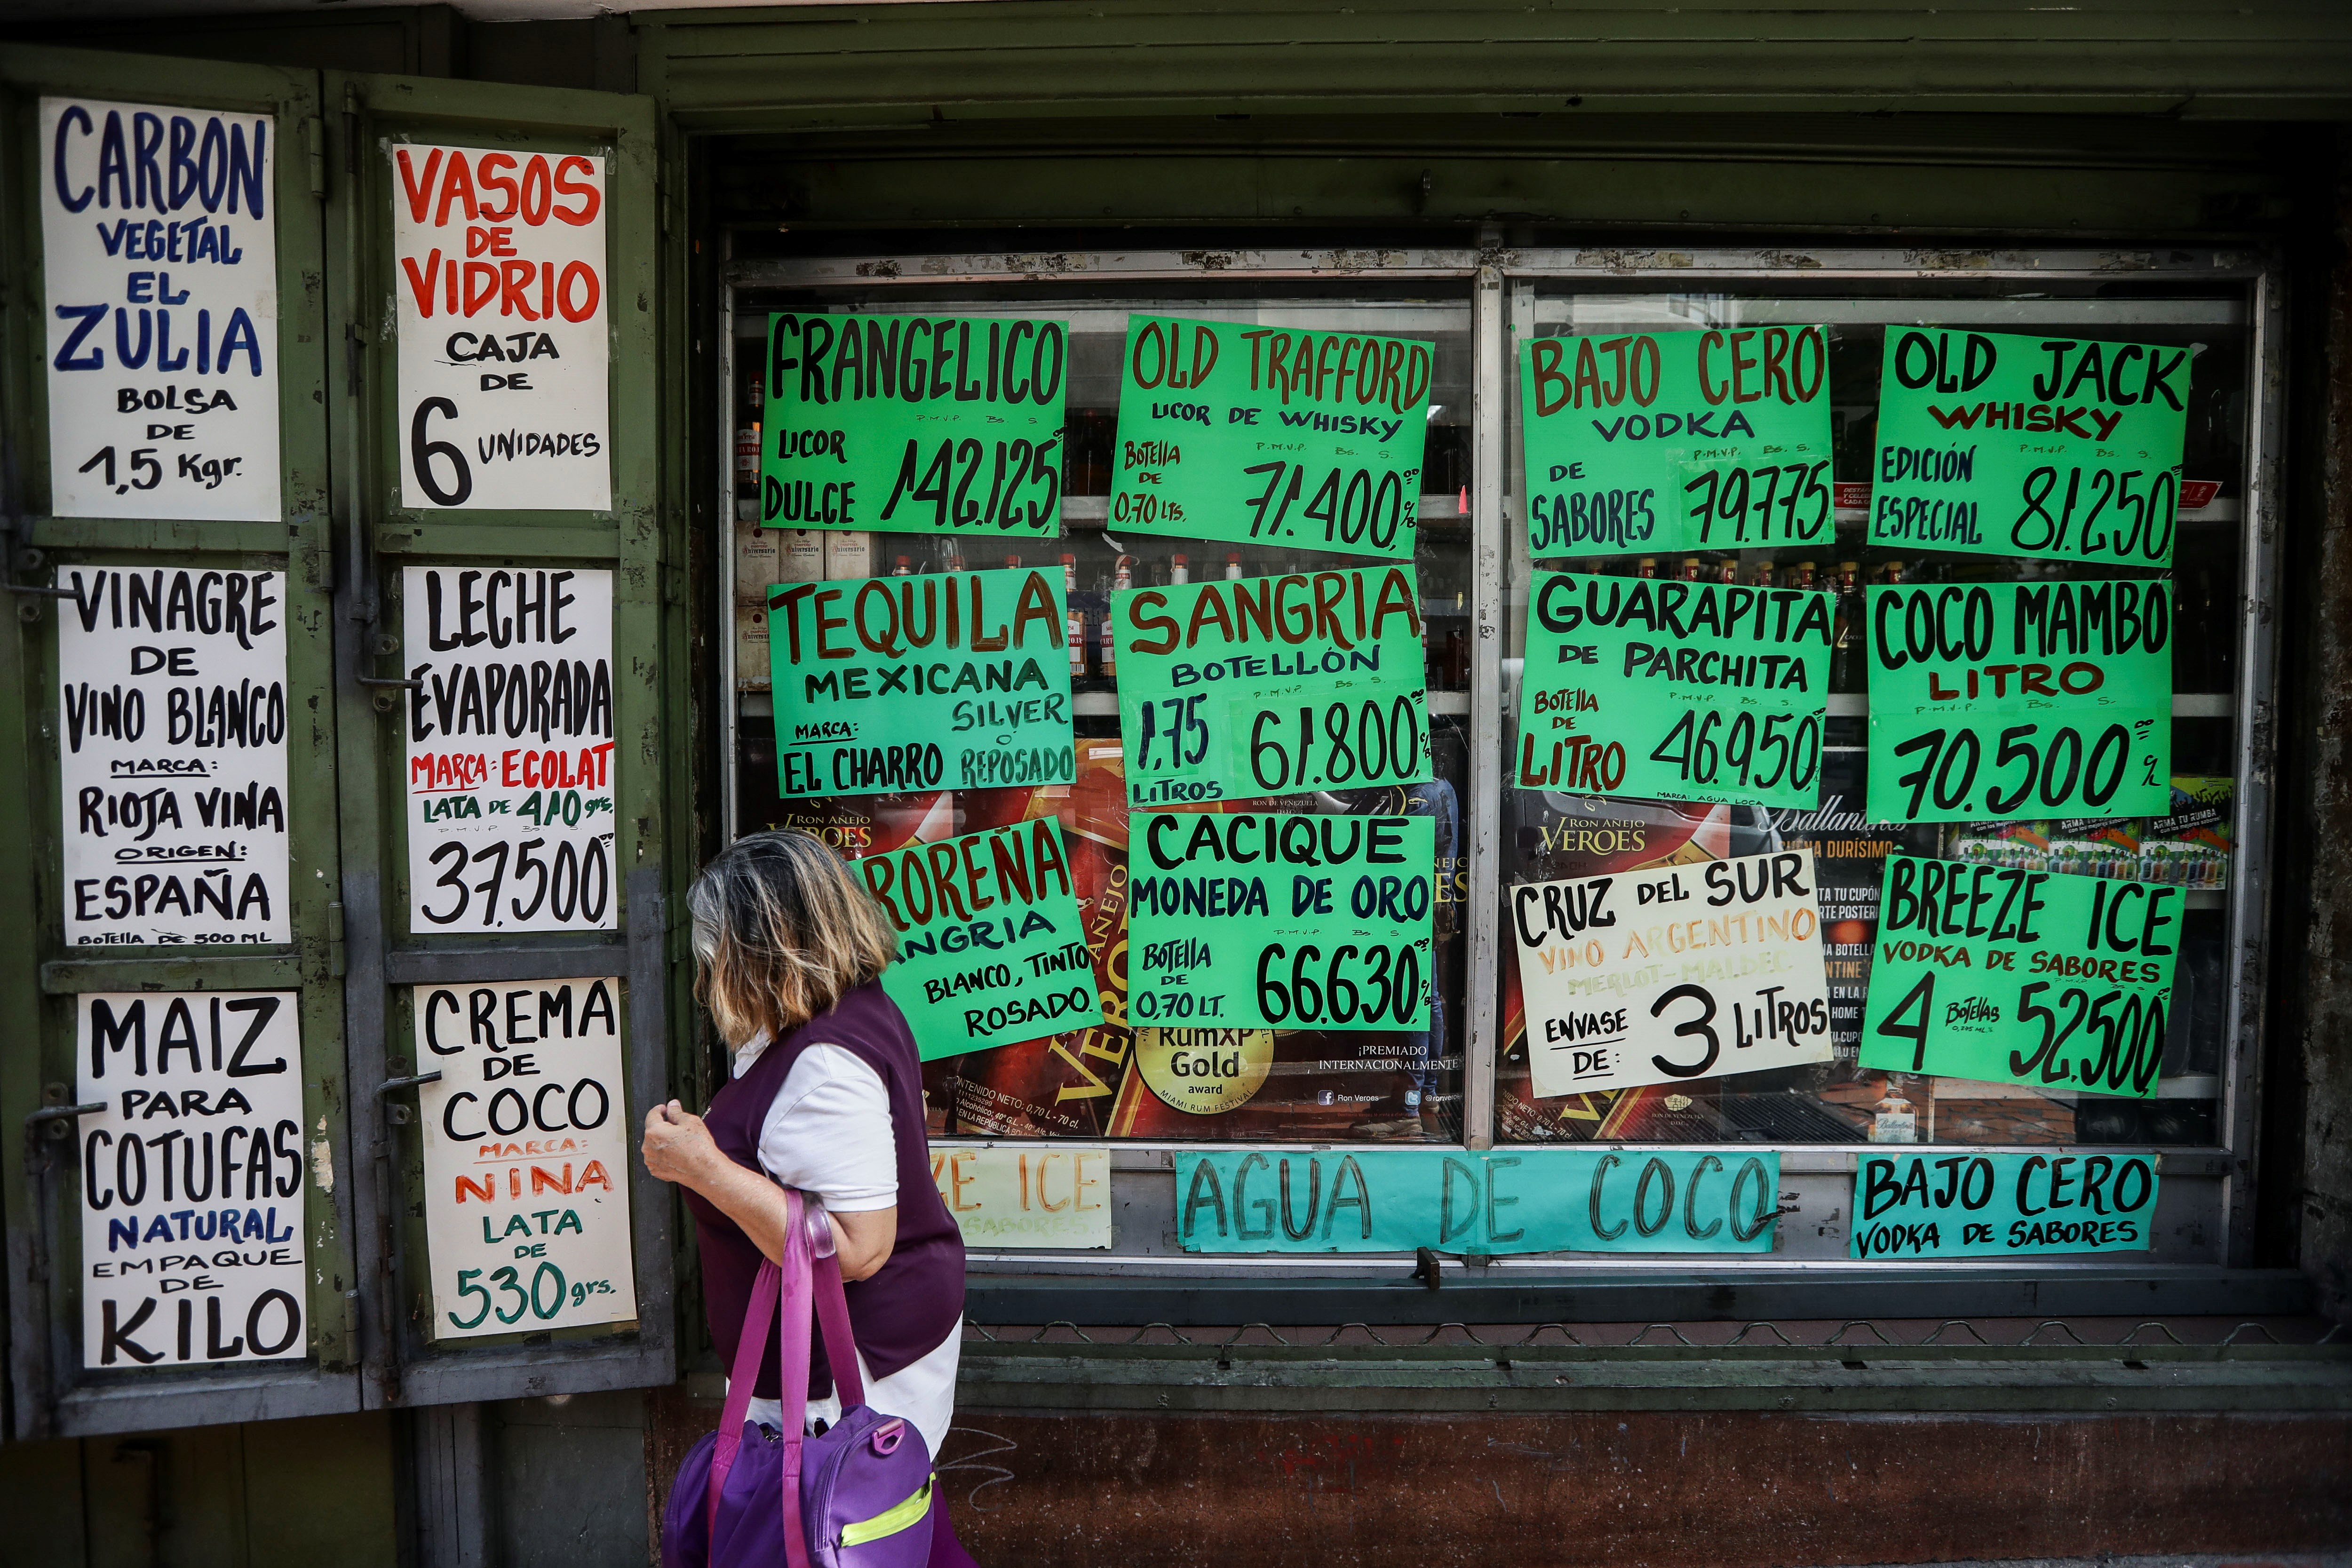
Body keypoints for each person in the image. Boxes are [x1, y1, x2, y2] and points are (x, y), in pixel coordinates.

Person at [641, 829, 977, 1567]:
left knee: (847, 1526)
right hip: (857, 1354)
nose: (707, 967)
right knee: (885, 1522)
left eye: (717, 946)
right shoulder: (835, 1014)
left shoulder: (825, 1062)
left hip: (850, 1363)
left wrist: (703, 1167)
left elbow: (859, 1245)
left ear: (765, 951)